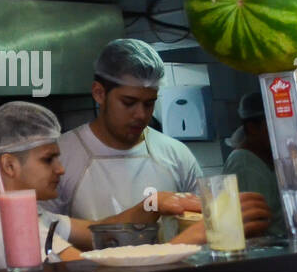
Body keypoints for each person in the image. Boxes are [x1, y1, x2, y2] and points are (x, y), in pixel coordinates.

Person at [0, 101, 232, 272]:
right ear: (9, 166)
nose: (60, 168)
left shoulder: (31, 215)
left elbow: (98, 231)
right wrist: (197, 235)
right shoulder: (3, 224)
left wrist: (155, 203)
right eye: (48, 159)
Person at [43, 38, 201, 221]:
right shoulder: (60, 157)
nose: (141, 115)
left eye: (149, 104)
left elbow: (203, 222)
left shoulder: (177, 155)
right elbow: (44, 234)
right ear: (99, 93)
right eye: (129, 103)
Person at [223, 91, 284, 234]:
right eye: (274, 124)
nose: (282, 131)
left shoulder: (263, 159)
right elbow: (253, 228)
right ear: (252, 128)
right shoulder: (245, 166)